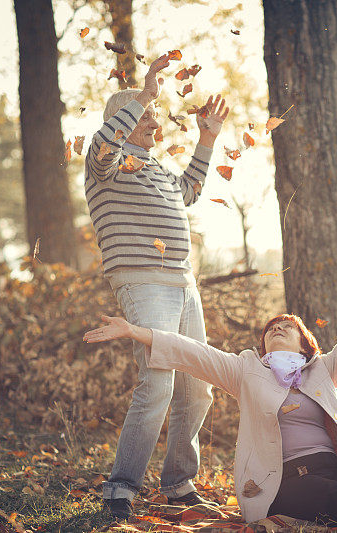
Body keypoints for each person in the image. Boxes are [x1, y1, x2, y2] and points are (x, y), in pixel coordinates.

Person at [83, 256, 337, 526]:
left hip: (333, 468)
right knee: (331, 498)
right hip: (281, 484)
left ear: (305, 345)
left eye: (286, 326)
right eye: (270, 328)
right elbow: (194, 354)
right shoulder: (245, 371)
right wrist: (137, 330)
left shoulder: (321, 371)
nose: (276, 328)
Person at [84, 54, 230, 519]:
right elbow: (106, 142)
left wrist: (207, 139)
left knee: (197, 387)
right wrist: (144, 93)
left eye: (153, 114)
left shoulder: (155, 168)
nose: (153, 120)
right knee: (158, 383)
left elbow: (188, 191)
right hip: (143, 283)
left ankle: (179, 483)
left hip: (184, 285)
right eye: (144, 114)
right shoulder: (104, 164)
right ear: (120, 123)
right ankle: (121, 488)